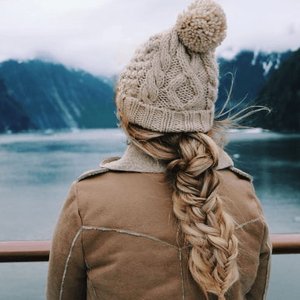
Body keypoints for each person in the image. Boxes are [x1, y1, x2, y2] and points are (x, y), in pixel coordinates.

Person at [47, 0, 271, 299]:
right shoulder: (243, 194)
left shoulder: (87, 200)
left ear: (128, 116)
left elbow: (62, 294)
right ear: (202, 115)